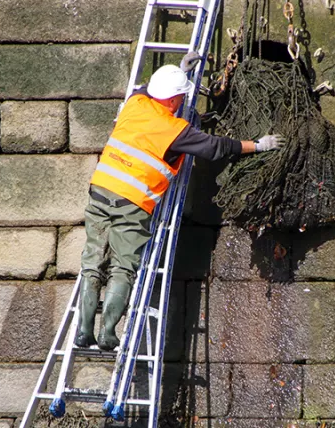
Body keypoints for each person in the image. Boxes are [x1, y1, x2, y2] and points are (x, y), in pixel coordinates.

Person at [76, 53, 282, 350]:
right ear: (173, 100)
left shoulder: (135, 103)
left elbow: (148, 88)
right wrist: (257, 145)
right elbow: (215, 147)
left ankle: (84, 331)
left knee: (93, 263)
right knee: (122, 269)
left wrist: (179, 72)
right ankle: (107, 333)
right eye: (180, 96)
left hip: (99, 193)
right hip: (131, 206)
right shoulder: (174, 131)